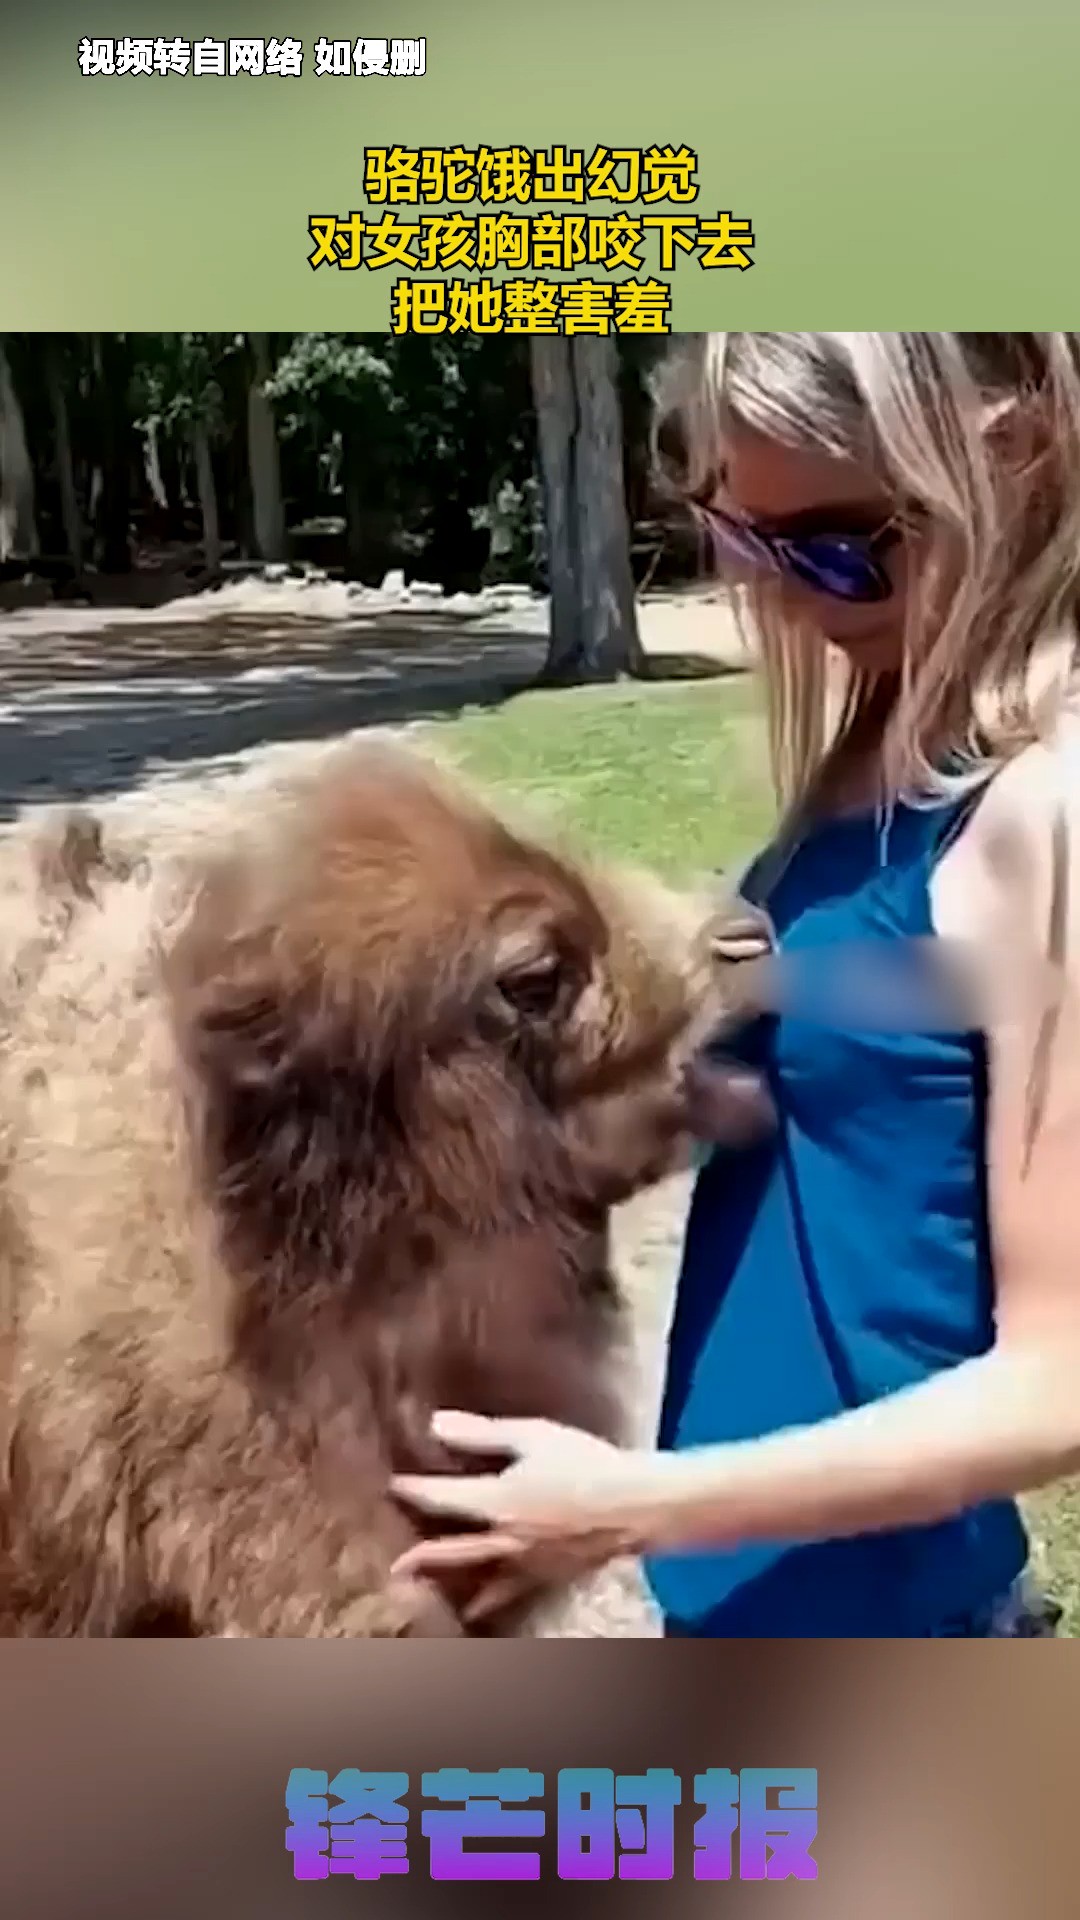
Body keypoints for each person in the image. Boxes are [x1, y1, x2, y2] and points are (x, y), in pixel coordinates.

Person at [391, 332, 1080, 1637]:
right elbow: (856, 1023)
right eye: (738, 535)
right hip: (757, 1608)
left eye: (829, 547)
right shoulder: (886, 726)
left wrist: (636, 1505)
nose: (785, 592)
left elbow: (1058, 1385)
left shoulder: (1048, 816)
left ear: (1011, 452)